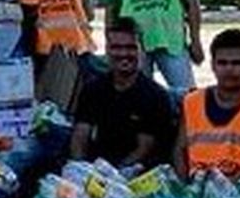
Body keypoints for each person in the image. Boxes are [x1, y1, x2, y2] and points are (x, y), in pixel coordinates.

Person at [70, 17, 174, 169]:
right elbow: (80, 136)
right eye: (116, 47)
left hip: (136, 176)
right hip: (95, 172)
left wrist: (112, 177)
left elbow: (144, 149)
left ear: (141, 50)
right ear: (107, 50)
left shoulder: (156, 96)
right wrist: (79, 169)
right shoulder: (92, 89)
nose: (123, 54)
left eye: (130, 47)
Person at [174, 28, 240, 181]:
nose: (229, 69)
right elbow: (179, 150)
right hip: (197, 190)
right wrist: (184, 188)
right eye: (222, 63)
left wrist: (229, 188)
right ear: (213, 65)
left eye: (237, 63)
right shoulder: (192, 101)